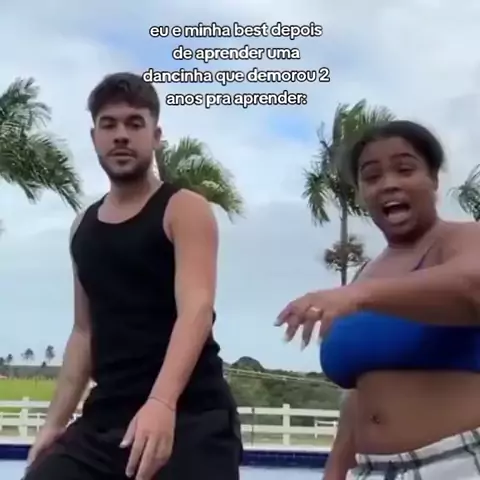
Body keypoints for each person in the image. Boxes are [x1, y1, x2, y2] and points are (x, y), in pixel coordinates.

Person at [24, 72, 242, 480]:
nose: (121, 135)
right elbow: (84, 332)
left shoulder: (183, 209)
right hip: (106, 421)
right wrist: (54, 424)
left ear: (156, 136)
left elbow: (196, 311)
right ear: (94, 138)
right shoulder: (83, 227)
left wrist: (161, 403)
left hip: (190, 416)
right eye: (109, 125)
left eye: (134, 123)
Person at [276, 120, 480, 479]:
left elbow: (472, 285)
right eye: (372, 177)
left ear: (433, 179)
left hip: (458, 462)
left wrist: (356, 296)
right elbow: (360, 393)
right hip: (373, 469)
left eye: (405, 169)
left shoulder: (463, 240)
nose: (388, 184)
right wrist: (335, 471)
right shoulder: (365, 274)